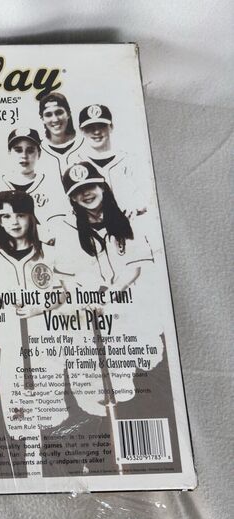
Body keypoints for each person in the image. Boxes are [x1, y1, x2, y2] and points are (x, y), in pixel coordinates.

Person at [49, 161, 163, 417]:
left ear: (102, 186)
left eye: (90, 186)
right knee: (101, 382)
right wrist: (86, 298)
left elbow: (135, 268)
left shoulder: (125, 217)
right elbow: (67, 277)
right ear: (72, 198)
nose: (86, 194)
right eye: (78, 191)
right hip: (93, 310)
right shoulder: (67, 229)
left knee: (148, 364)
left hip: (130, 303)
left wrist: (111, 293)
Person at [0, 191, 68, 435]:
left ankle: (52, 442)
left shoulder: (47, 251)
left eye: (20, 215)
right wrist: (10, 295)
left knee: (49, 392)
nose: (14, 222)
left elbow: (61, 294)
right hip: (10, 328)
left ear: (31, 216)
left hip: (42, 327)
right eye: (6, 216)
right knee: (15, 391)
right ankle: (26, 447)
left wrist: (39, 307)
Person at [0, 128, 65, 236]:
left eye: (30, 150)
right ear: (9, 153)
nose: (24, 155)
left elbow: (58, 224)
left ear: (39, 154)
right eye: (18, 150)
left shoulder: (50, 185)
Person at [70, 104, 148, 216]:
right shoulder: (75, 165)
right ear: (81, 130)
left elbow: (147, 199)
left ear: (111, 127)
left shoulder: (130, 161)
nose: (96, 132)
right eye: (90, 127)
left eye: (101, 125)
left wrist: (137, 207)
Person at [38, 92, 84, 176]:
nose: (55, 119)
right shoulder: (38, 151)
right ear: (42, 119)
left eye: (59, 112)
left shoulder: (85, 144)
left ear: (68, 114)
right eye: (48, 115)